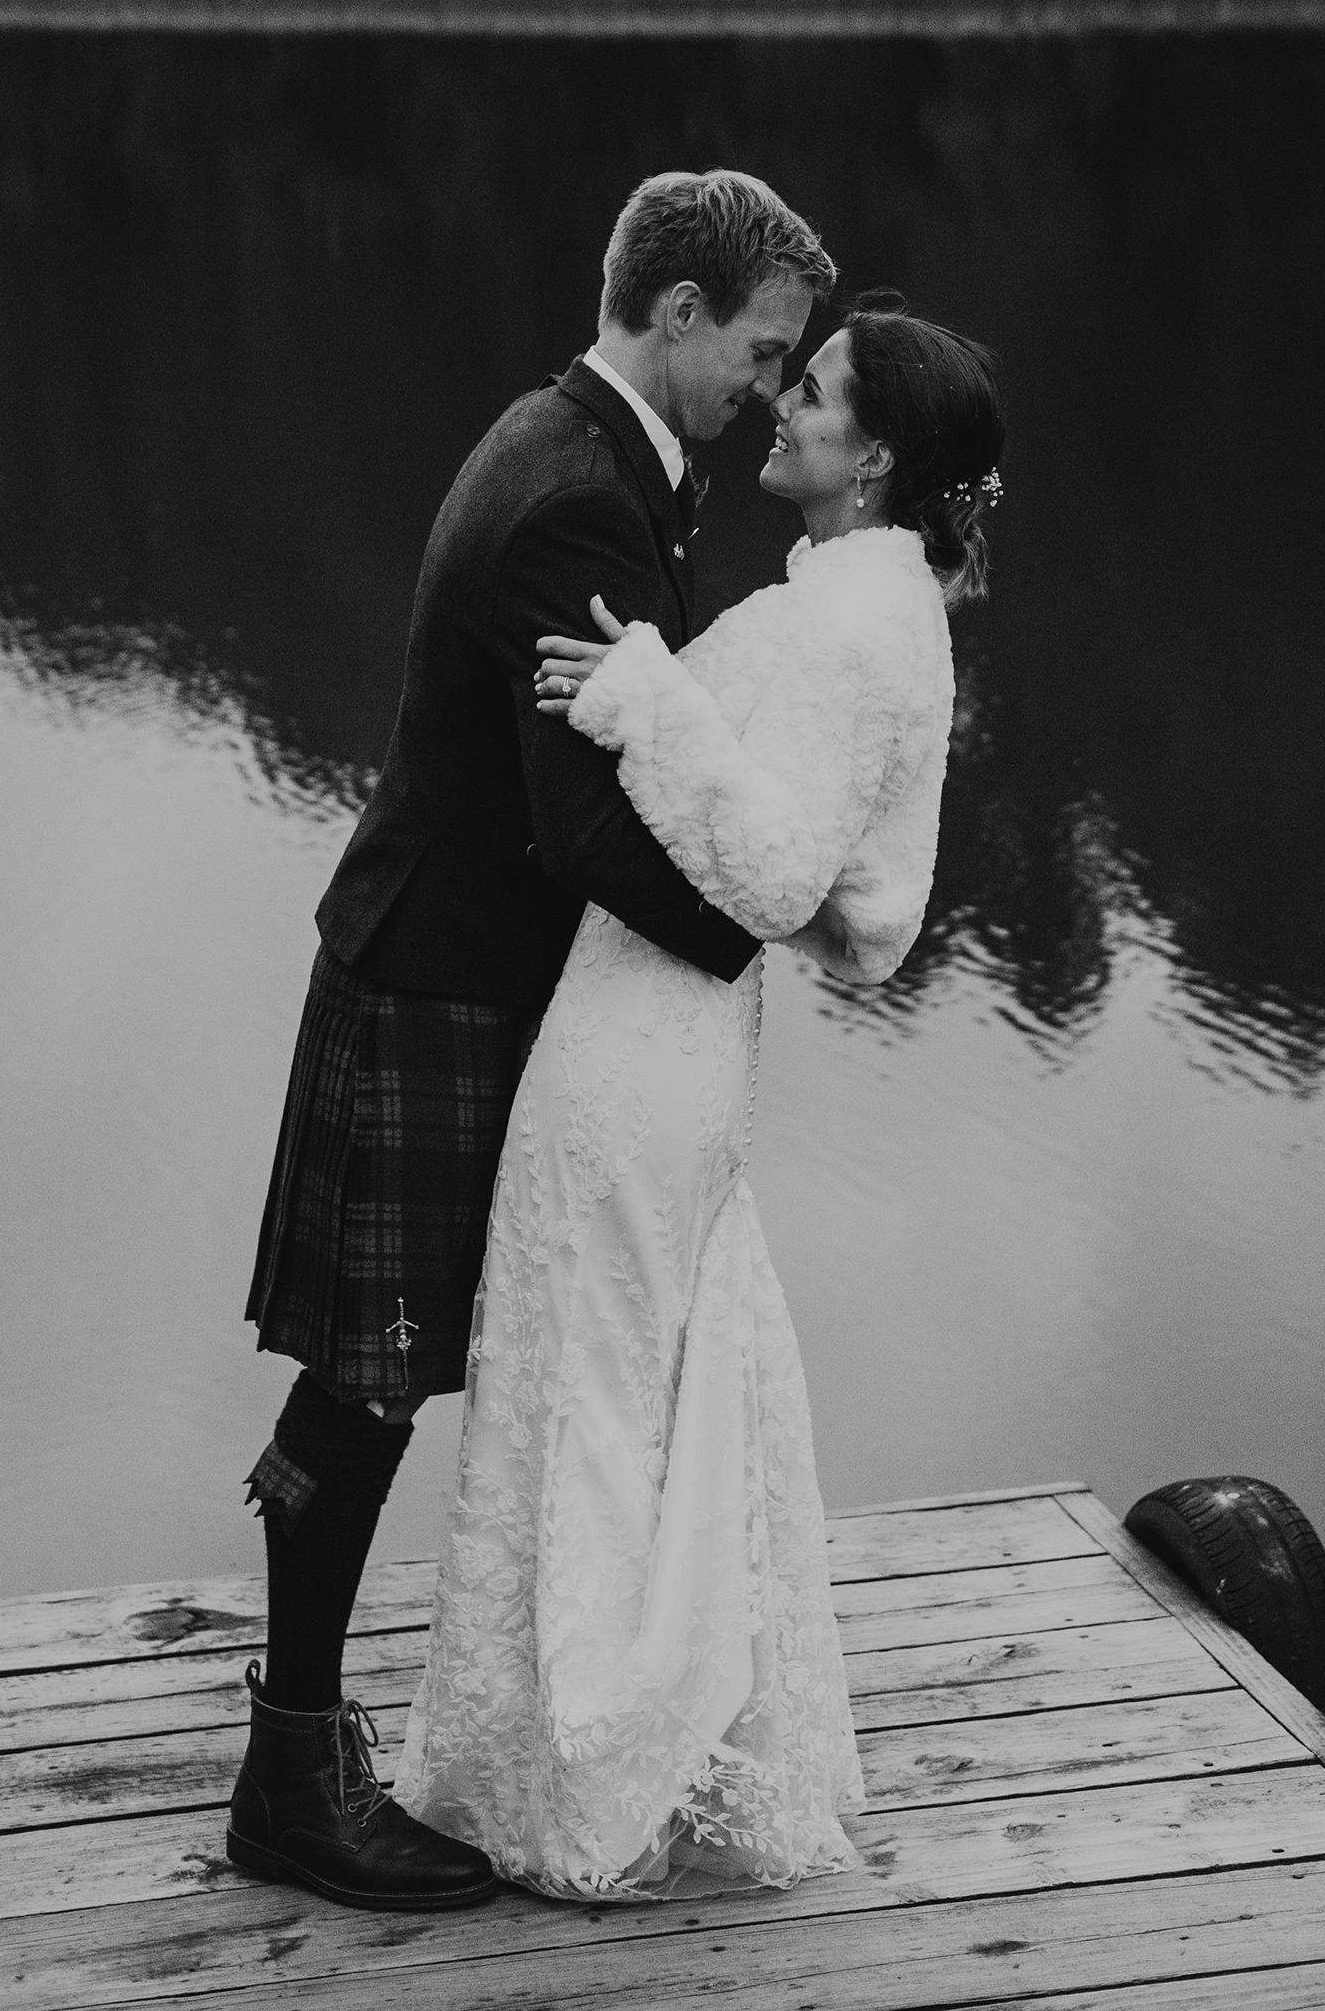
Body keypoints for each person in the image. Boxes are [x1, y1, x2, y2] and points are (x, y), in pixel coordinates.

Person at [230, 169, 838, 1911]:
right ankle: (289, 1778)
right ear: (679, 312)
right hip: (438, 982)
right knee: (366, 1380)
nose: (771, 392)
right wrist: (751, 925)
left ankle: (303, 1742)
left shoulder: (570, 441)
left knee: (369, 1374)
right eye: (763, 351)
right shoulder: (579, 496)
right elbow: (579, 829)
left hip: (439, 969)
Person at [394, 293, 1006, 1898]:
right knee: (625, 1377)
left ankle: (583, 1778)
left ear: (873, 458)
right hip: (680, 1039)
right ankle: (618, 1750)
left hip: (642, 1036)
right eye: (788, 373)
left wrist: (644, 694)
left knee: (590, 1380)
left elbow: (789, 870)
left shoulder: (840, 630)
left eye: (817, 390)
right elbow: (861, 909)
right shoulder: (876, 611)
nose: (782, 402)